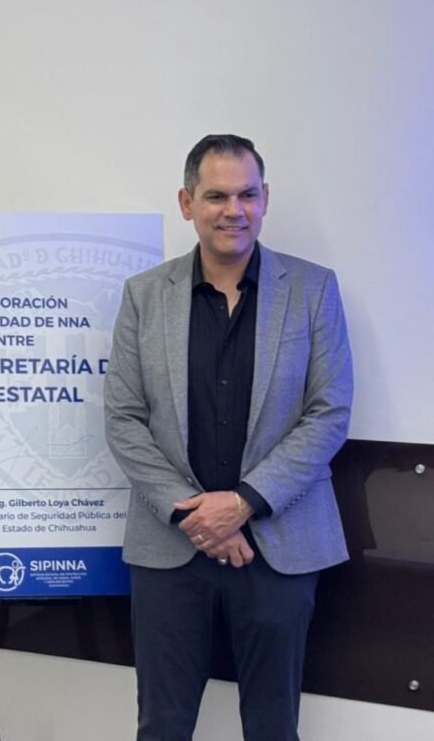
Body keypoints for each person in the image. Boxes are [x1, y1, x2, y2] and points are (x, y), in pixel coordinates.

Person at [104, 135, 353, 741]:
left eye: (247, 195)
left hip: (280, 544)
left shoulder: (314, 290)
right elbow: (124, 418)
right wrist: (196, 516)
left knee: (273, 728)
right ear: (187, 202)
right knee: (162, 727)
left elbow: (328, 413)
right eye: (216, 196)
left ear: (265, 198)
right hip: (171, 546)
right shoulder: (145, 295)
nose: (233, 210)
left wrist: (241, 504)